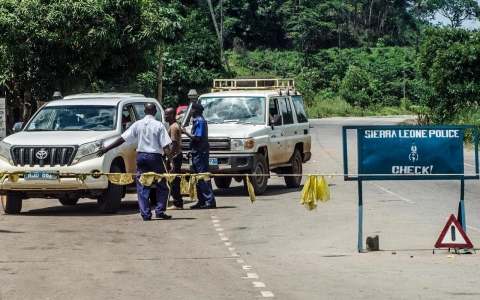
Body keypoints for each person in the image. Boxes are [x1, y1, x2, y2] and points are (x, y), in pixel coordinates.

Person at [96, 103, 174, 221]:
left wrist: (106, 148)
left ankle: (146, 214)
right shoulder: (159, 125)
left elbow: (122, 138)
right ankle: (160, 211)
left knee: (142, 185)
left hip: (141, 157)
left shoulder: (138, 124)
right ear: (155, 112)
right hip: (155, 157)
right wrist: (171, 161)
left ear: (144, 111)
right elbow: (166, 146)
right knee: (163, 184)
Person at [181, 102, 217, 209]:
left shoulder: (200, 121)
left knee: (203, 177)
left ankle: (210, 201)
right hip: (197, 153)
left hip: (201, 154)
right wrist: (191, 151)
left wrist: (185, 132)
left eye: (191, 110)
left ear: (195, 111)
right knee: (198, 178)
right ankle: (202, 201)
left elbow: (197, 138)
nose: (190, 112)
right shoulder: (197, 121)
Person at [164, 107, 184, 210]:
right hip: (174, 156)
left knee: (174, 180)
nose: (164, 116)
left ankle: (178, 203)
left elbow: (174, 144)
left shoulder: (174, 127)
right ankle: (177, 202)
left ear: (171, 115)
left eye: (166, 114)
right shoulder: (172, 126)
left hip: (175, 156)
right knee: (173, 180)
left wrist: (169, 158)